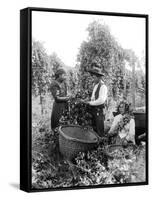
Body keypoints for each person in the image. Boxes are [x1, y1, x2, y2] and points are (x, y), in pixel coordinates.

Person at [84, 66, 108, 137]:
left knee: (99, 129)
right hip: (93, 110)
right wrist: (88, 100)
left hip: (99, 111)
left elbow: (101, 100)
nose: (93, 79)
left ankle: (101, 145)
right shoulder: (95, 85)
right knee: (94, 129)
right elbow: (93, 98)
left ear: (99, 77)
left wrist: (90, 103)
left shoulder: (103, 87)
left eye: (94, 77)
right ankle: (95, 145)